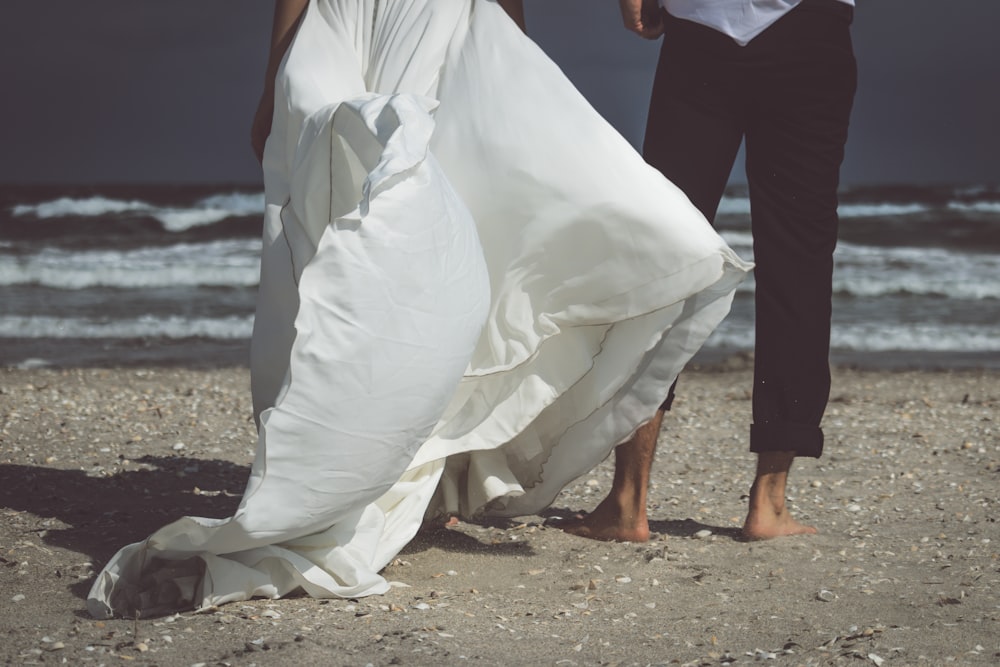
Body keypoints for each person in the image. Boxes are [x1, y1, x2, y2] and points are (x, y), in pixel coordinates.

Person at [86, 0, 751, 619]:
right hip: (402, 19)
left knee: (375, 209)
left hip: (397, 21)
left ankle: (399, 469)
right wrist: (511, 53)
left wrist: (276, 76)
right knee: (400, 205)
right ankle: (392, 470)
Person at [561, 0, 856, 542]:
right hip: (798, 30)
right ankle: (768, 505)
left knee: (666, 251)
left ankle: (629, 500)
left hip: (707, 27)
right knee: (796, 263)